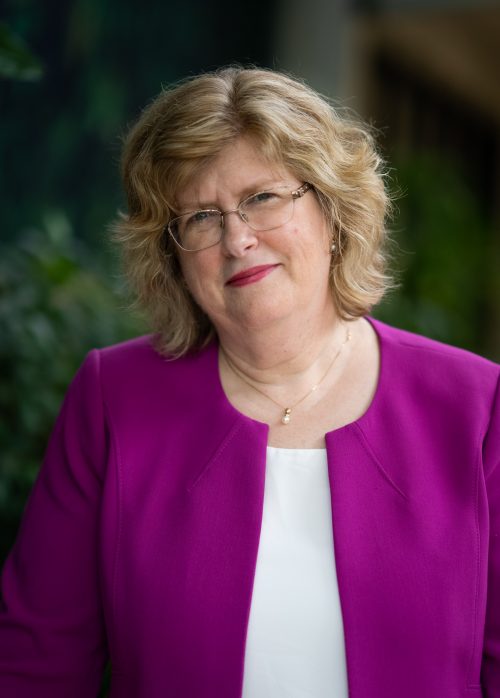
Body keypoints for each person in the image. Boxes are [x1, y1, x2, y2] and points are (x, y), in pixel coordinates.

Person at [0, 66, 498, 698]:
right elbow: (35, 666)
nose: (237, 238)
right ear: (173, 256)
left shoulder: (477, 409)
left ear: (331, 209)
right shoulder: (113, 400)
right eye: (202, 217)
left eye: (262, 197)